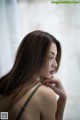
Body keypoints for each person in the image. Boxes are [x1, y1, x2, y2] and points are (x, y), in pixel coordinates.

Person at [0, 30, 67, 120]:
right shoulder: (45, 94)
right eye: (51, 57)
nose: (55, 64)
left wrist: (62, 98)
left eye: (55, 57)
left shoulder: (3, 83)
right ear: (34, 56)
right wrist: (63, 99)